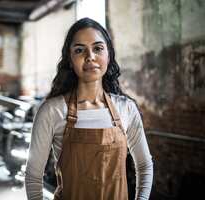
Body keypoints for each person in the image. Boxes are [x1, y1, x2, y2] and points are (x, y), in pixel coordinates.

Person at [25, 18, 153, 200]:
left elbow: (144, 165)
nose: (90, 56)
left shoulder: (126, 108)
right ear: (70, 59)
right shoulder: (52, 111)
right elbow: (33, 175)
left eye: (98, 48)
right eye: (79, 50)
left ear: (108, 55)